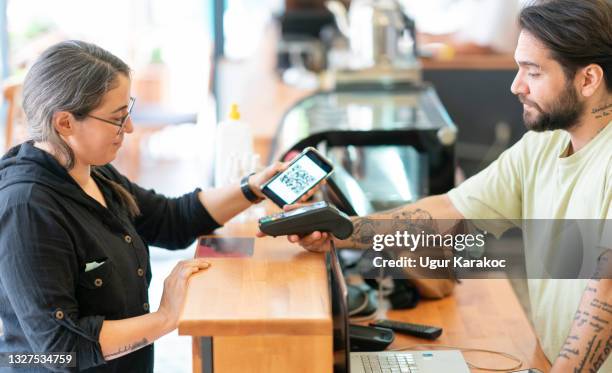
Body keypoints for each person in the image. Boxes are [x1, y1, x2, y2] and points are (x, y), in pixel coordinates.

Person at [290, 0, 612, 371]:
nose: (516, 86)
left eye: (533, 73)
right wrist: (340, 230)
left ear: (588, 79)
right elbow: (450, 210)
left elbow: (606, 289)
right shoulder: (546, 142)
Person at [0, 40, 314, 372]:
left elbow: (171, 220)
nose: (130, 128)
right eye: (117, 118)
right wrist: (166, 317)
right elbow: (63, 348)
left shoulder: (91, 169)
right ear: (65, 124)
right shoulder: (28, 209)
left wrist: (253, 188)